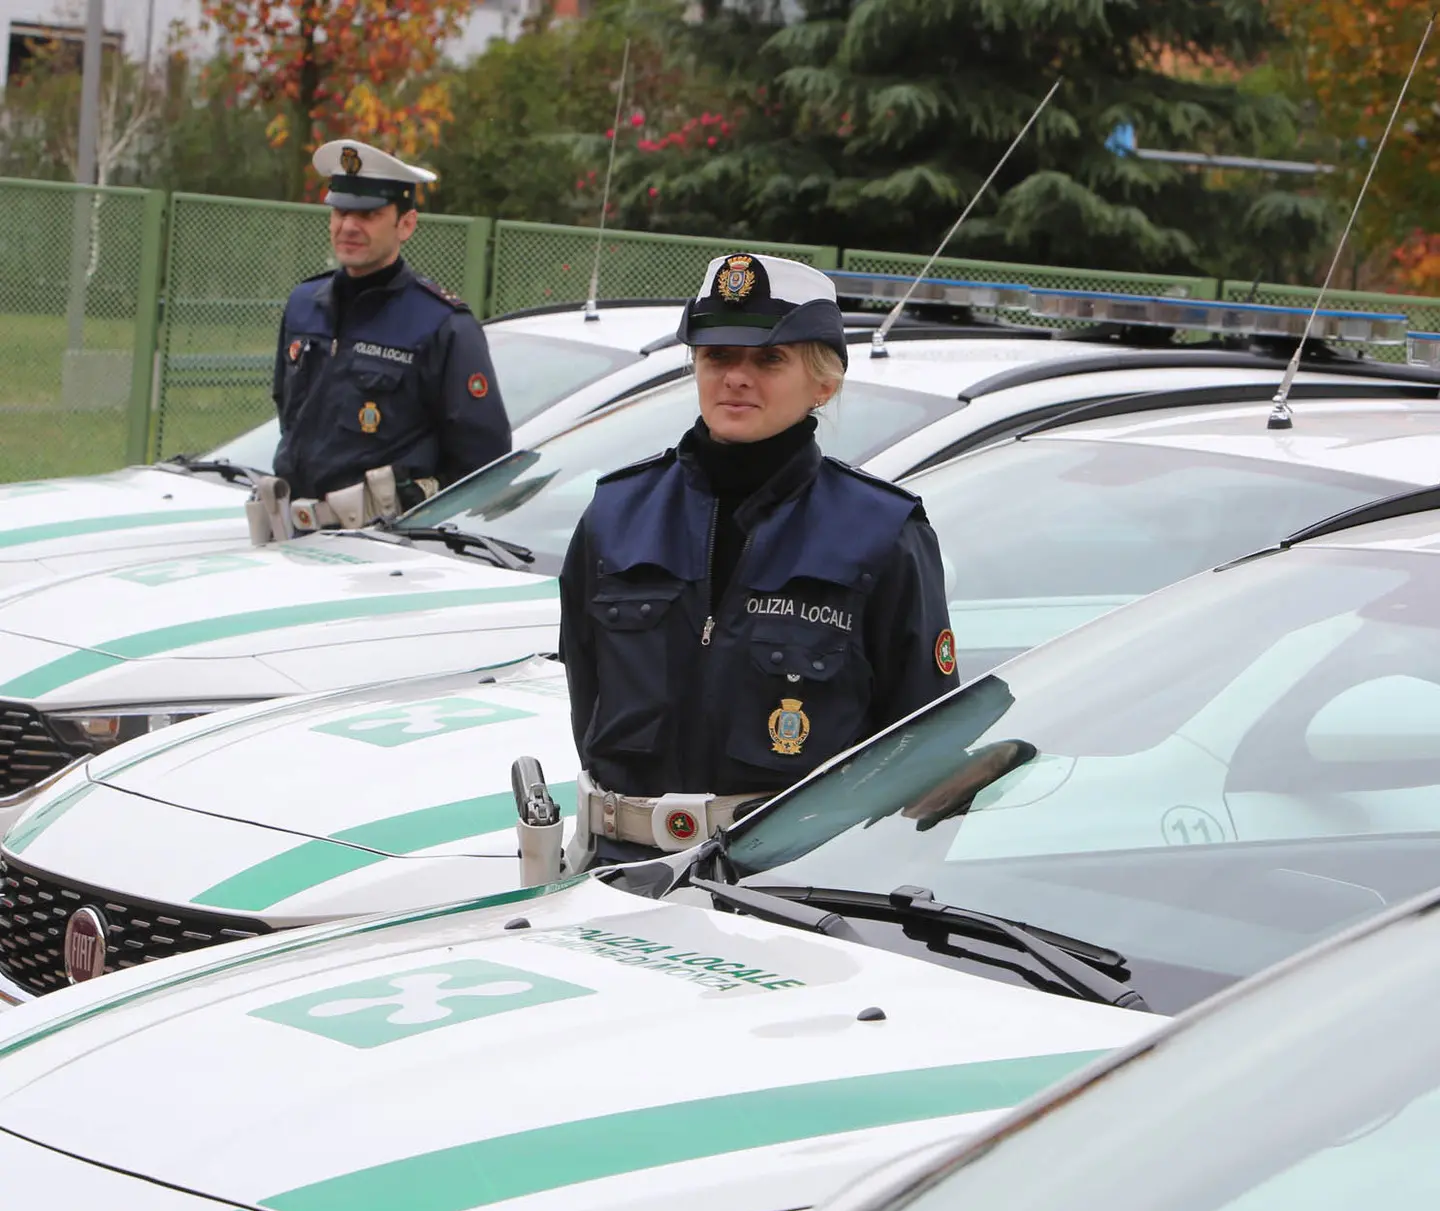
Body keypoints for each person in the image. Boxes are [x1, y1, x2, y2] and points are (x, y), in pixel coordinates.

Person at [558, 250, 957, 867]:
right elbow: (588, 694)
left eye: (769, 359)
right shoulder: (616, 514)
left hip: (790, 885)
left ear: (824, 382)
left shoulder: (881, 533)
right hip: (616, 870)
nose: (735, 377)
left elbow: (923, 750)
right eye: (718, 356)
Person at [268, 139, 511, 530]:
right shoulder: (302, 306)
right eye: (340, 211)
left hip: (383, 549)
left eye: (368, 215)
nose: (348, 226)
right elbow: (290, 417)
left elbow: (483, 463)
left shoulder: (442, 326)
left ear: (406, 224)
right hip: (290, 535)